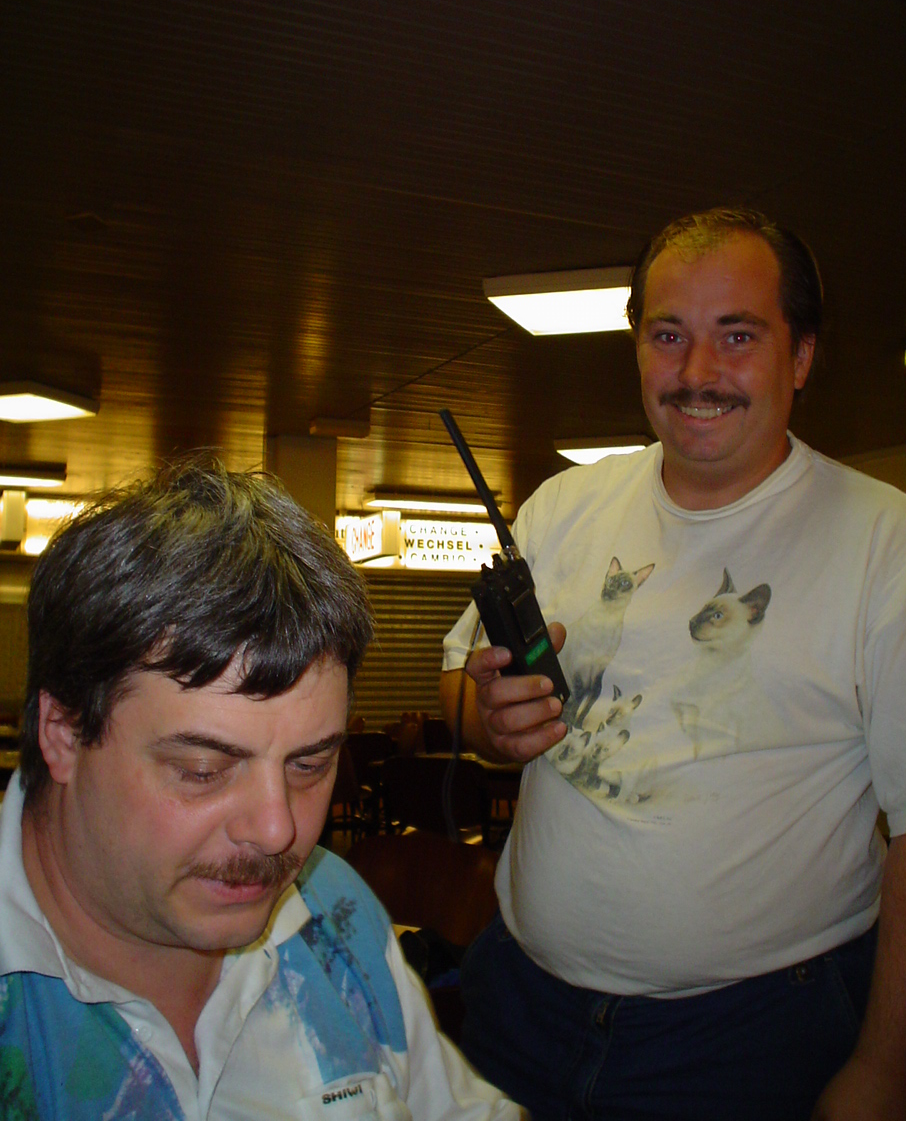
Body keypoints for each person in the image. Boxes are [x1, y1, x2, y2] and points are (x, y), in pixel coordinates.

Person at [440, 207, 906, 1121]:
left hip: (755, 1037)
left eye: (738, 335)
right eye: (669, 334)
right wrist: (489, 718)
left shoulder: (890, 544)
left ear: (800, 357)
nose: (696, 372)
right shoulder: (563, 507)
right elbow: (456, 685)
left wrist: (887, 1069)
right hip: (517, 1001)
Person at [1, 459, 524, 1121]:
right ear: (62, 733)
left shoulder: (332, 909)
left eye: (309, 764)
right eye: (203, 770)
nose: (279, 831)